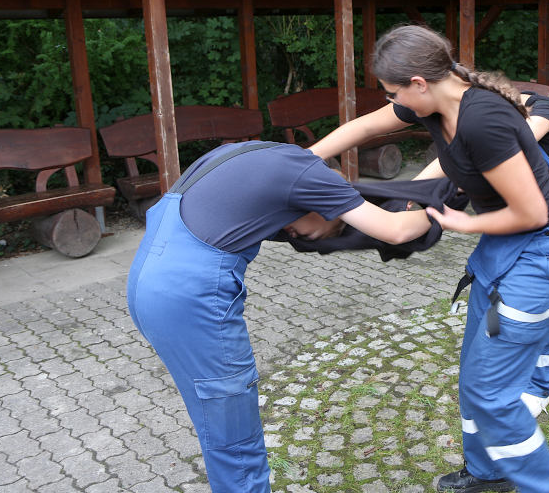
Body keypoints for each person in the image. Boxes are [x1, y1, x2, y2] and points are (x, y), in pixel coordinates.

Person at [309, 25, 549, 493]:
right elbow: (368, 125)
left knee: (492, 392)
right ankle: (487, 476)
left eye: (398, 91)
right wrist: (302, 161)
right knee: (474, 376)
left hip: (542, 258)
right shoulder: (438, 102)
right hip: (502, 253)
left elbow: (532, 212)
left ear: (420, 82)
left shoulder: (483, 120)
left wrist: (464, 223)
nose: (397, 102)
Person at [126, 141, 432, 493]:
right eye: (326, 230)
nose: (292, 233)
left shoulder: (264, 157)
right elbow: (397, 230)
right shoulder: (310, 177)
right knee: (237, 446)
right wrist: (437, 211)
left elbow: (359, 131)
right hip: (189, 294)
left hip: (149, 282)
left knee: (219, 427)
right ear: (325, 202)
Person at [413, 90, 549, 418]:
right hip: (528, 203)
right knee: (510, 288)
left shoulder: (542, 113)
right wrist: (413, 187)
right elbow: (466, 155)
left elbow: (510, 147)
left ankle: (539, 386)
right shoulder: (494, 120)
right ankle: (509, 366)